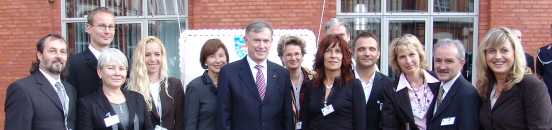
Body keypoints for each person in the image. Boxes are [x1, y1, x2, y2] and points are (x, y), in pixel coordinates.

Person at [217, 21, 294, 130]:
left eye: (266, 41)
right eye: (257, 40)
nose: (262, 46)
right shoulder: (228, 73)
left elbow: (287, 116)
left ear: (271, 42)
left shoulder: (282, 74)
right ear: (246, 41)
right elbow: (223, 117)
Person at [476, 27, 552, 130]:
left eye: (504, 50)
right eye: (492, 51)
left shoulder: (532, 86)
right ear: (484, 55)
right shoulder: (486, 86)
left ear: (515, 54)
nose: (498, 56)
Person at [5, 34, 76, 130]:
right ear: (40, 55)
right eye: (52, 51)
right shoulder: (22, 89)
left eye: (63, 52)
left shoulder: (70, 90)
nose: (59, 56)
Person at [302, 34, 366, 130]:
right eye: (328, 51)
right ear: (322, 55)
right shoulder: (311, 86)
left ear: (343, 56)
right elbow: (305, 122)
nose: (333, 55)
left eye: (338, 51)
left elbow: (360, 124)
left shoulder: (354, 85)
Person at [77, 48, 152, 130]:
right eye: (111, 68)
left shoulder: (138, 98)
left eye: (121, 68)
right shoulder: (88, 104)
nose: (117, 73)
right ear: (99, 72)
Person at [382, 34, 440, 130]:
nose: (408, 61)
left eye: (411, 54)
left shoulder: (438, 81)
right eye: (402, 57)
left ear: (420, 55)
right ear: (396, 61)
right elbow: (389, 126)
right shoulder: (391, 90)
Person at [128, 36, 184, 130]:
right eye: (147, 55)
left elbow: (181, 121)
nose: (153, 59)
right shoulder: (131, 88)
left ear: (162, 56)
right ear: (140, 58)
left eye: (157, 54)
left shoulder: (175, 85)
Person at [428, 39, 480, 130]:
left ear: (461, 63)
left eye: (449, 61)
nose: (442, 66)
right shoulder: (437, 88)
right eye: (438, 60)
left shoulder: (468, 94)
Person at [67, 7, 116, 98]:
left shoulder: (123, 62)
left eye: (111, 27)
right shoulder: (74, 64)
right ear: (88, 28)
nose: (107, 31)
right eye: (102, 26)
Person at [350, 32, 392, 130]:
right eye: (361, 49)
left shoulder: (388, 84)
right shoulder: (342, 82)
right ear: (353, 53)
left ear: (378, 54)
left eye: (372, 49)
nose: (367, 53)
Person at [184, 39, 229, 130]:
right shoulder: (195, 87)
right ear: (205, 61)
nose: (217, 60)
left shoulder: (232, 84)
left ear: (226, 59)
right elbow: (190, 124)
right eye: (212, 56)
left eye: (221, 56)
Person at [276, 35, 315, 130]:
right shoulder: (275, 81)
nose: (293, 58)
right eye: (289, 55)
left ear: (302, 56)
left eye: (297, 54)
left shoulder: (314, 79)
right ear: (282, 58)